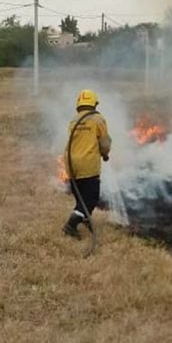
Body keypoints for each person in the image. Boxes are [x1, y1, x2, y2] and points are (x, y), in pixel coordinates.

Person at [62, 89, 112, 238]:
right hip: (87, 164)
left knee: (80, 197)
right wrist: (105, 154)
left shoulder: (73, 120)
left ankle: (85, 218)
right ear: (94, 104)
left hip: (71, 163)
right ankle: (71, 225)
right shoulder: (98, 119)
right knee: (91, 199)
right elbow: (104, 142)